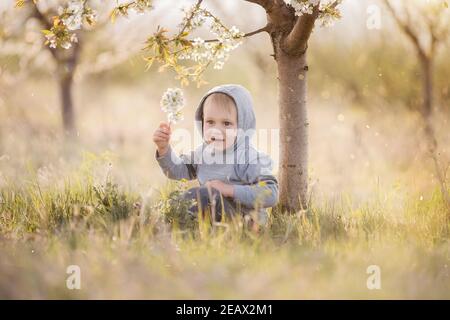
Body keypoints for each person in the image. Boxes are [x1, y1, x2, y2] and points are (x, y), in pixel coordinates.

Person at [153, 84, 278, 225]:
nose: (217, 130)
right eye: (210, 122)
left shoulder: (249, 157)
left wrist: (229, 190)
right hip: (213, 215)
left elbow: (271, 194)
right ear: (202, 122)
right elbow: (177, 171)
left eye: (226, 123)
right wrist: (164, 149)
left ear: (243, 125)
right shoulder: (203, 153)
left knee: (204, 195)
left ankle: (169, 219)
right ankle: (164, 219)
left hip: (245, 221)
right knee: (182, 198)